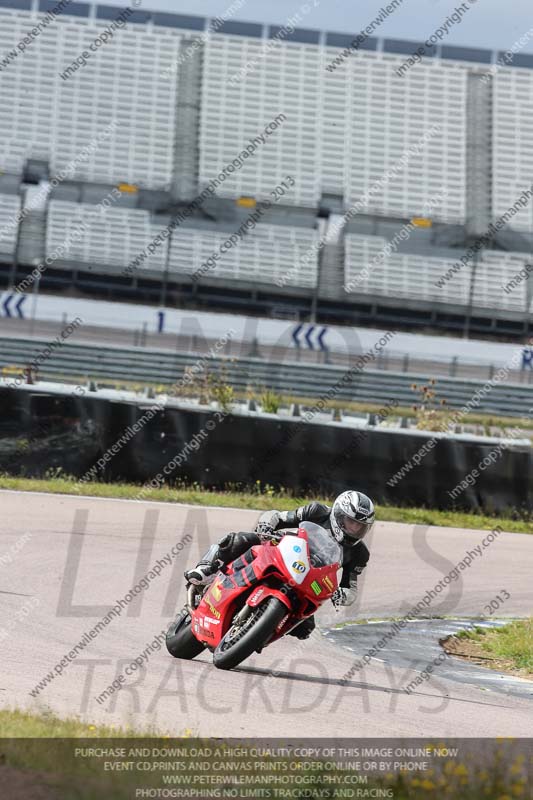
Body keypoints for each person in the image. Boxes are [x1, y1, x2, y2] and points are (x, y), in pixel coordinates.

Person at [184, 490, 375, 639]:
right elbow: (279, 516)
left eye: (360, 526)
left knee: (305, 629)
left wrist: (342, 595)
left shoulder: (359, 553)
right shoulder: (317, 511)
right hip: (284, 552)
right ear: (339, 515)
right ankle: (206, 570)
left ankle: (258, 632)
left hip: (309, 580)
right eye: (351, 522)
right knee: (240, 540)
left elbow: (351, 587)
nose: (354, 529)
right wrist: (266, 526)